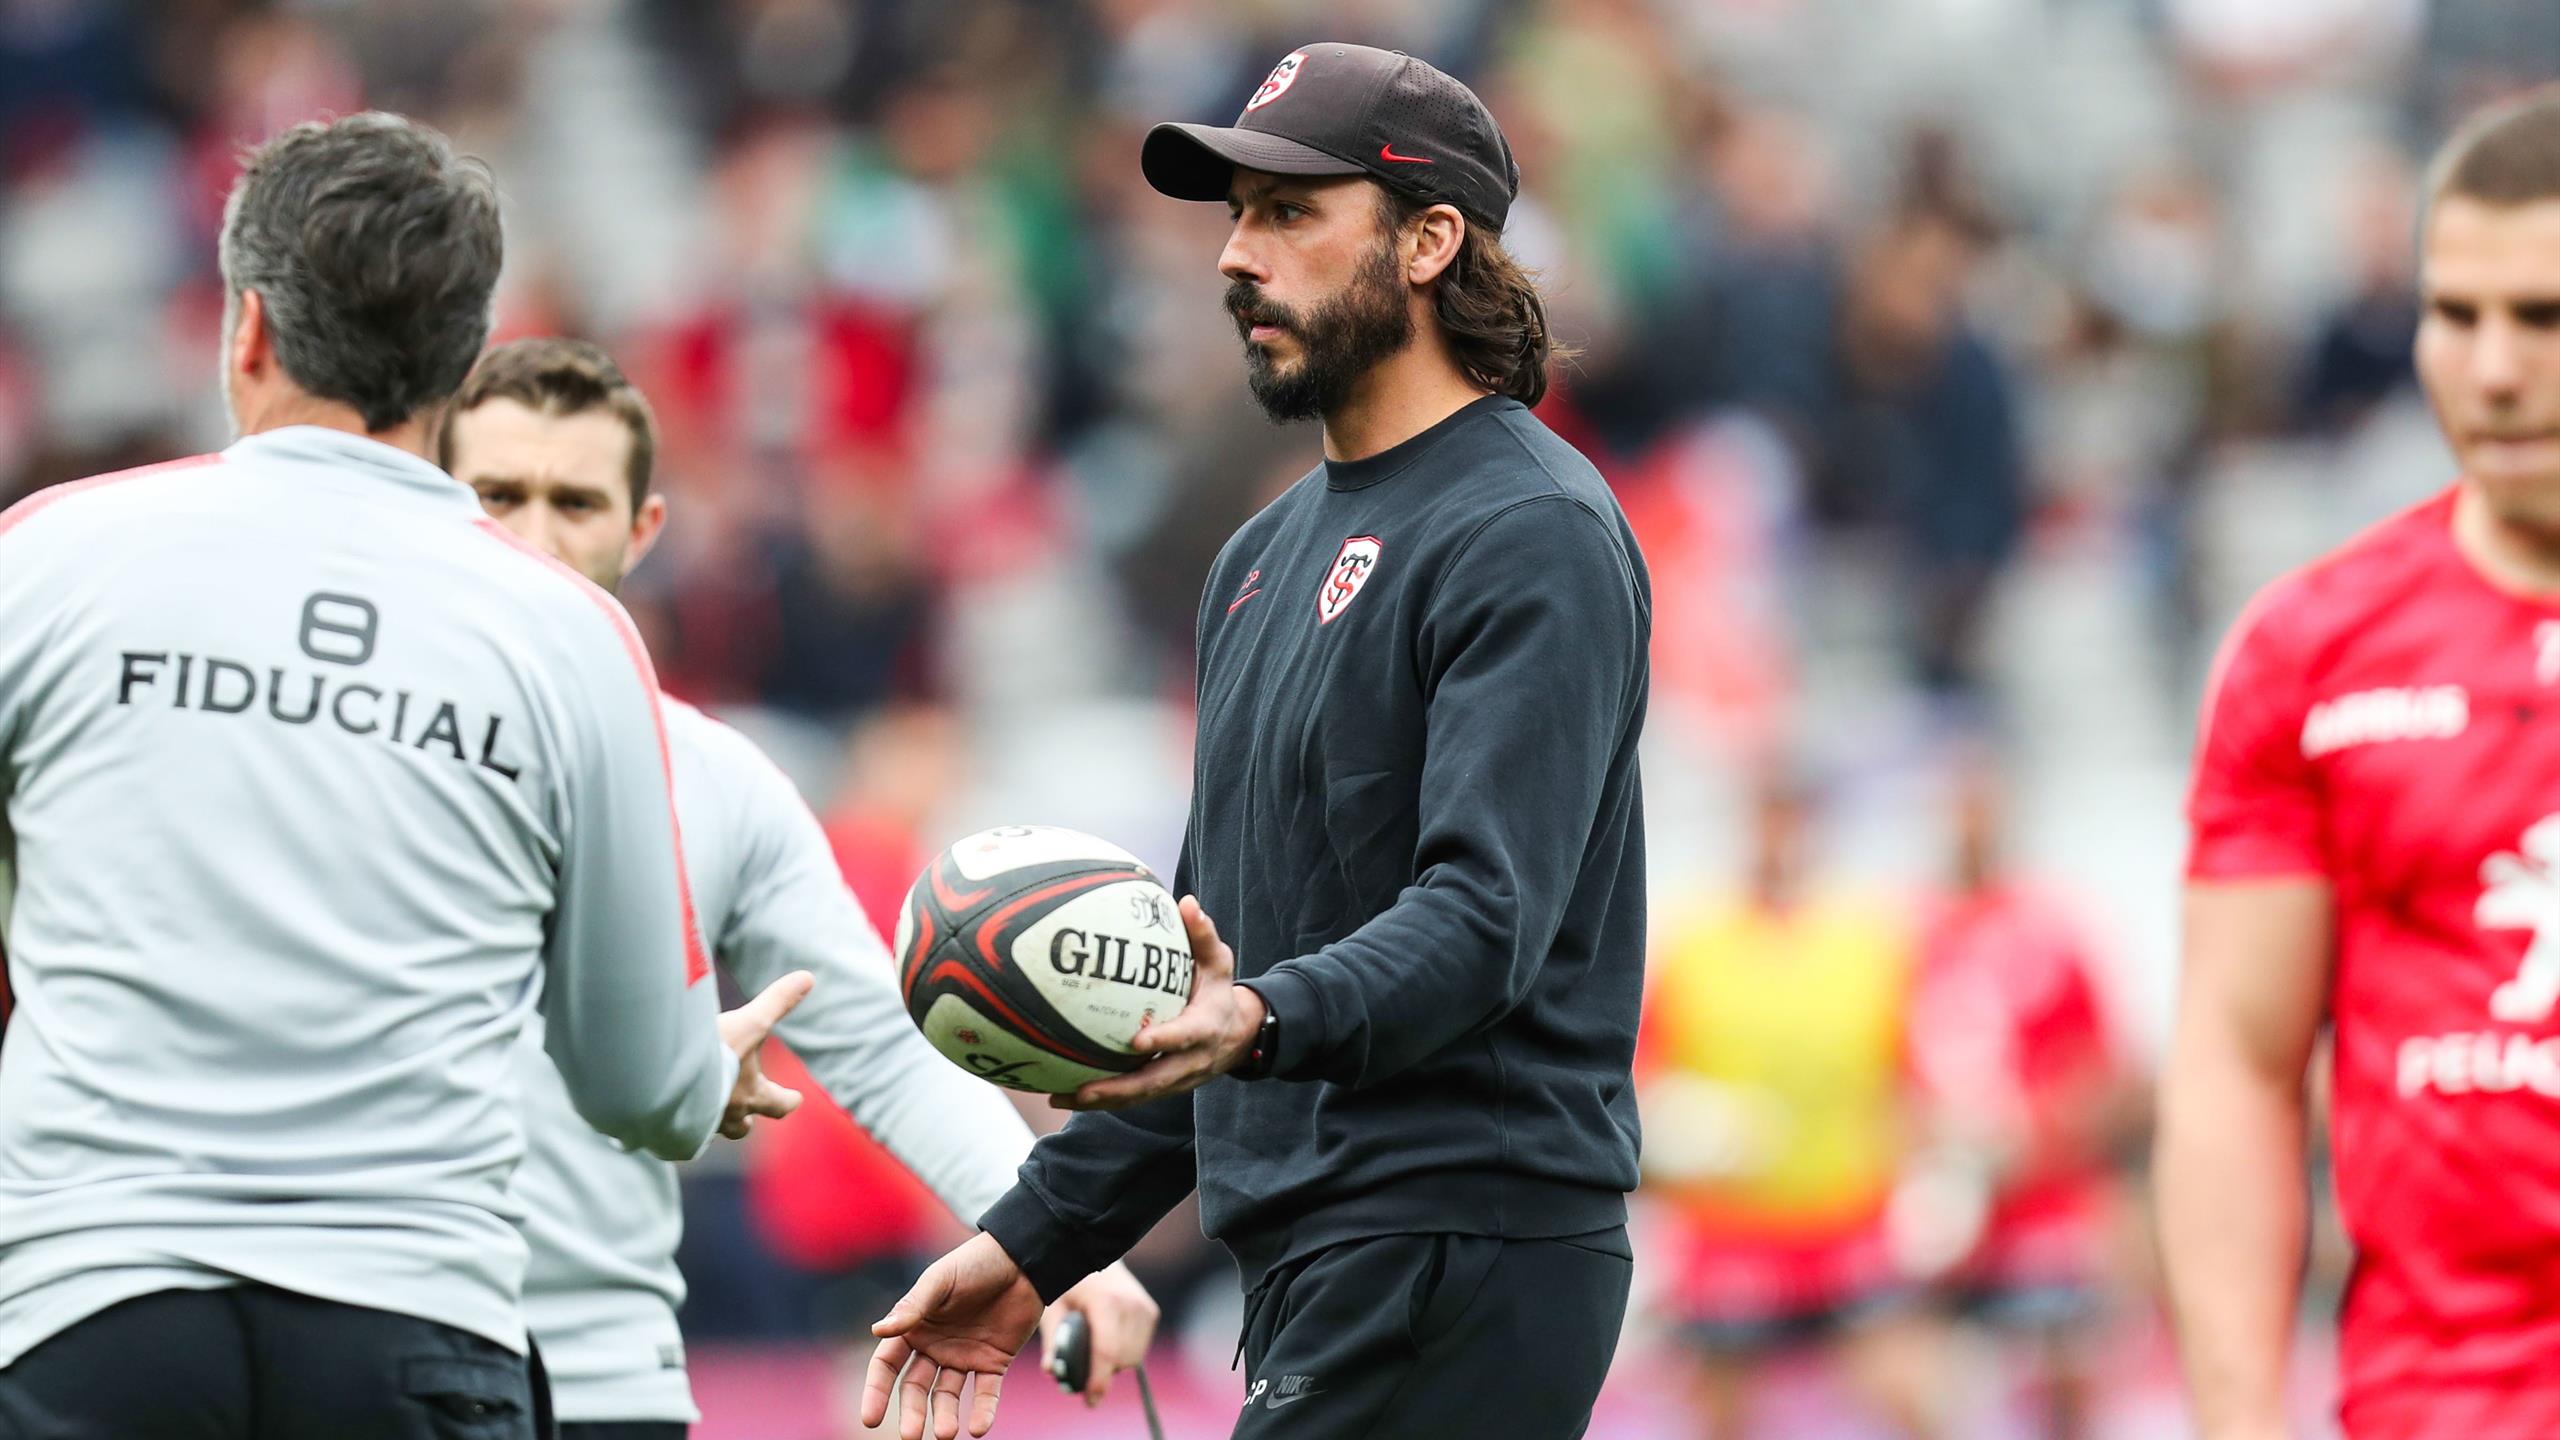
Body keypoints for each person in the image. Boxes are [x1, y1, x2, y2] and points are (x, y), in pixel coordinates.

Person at [862, 43, 1652, 1440]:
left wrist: (1263, 1020)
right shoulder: (1254, 563)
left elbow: (1483, 922)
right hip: (1319, 1260)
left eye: (1290, 212)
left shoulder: (1530, 532)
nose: (1236, 255)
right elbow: (1199, 989)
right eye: (1236, 214)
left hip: (1461, 1239)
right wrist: (1028, 1247)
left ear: (1430, 241)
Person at [0, 113, 807, 1440]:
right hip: (413, 1326)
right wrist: (698, 1072)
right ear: (463, 358)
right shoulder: (566, 630)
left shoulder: (45, 555)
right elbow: (634, 1082)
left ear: (247, 329)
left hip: (94, 1307)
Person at [436, 337, 1159, 1439]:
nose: (535, 537)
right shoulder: (333, 750)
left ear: (642, 535)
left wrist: (1055, 1243)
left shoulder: (718, 783)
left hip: (602, 1378)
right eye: (499, 496)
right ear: (439, 513)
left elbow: (879, 1039)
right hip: (381, 1336)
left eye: (574, 501)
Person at [2161, 87, 2560, 1439]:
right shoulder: (2313, 653)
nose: (2494, 367)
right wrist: (2237, 1418)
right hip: (2438, 1403)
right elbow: (2235, 1061)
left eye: (2544, 317)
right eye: (2456, 314)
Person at [1640, 771, 1946, 1440]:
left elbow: (1913, 1081)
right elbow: (1644, 1081)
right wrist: (1683, 1129)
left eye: (1792, 821)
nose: (1779, 840)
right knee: (1719, 1409)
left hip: (1846, 1217)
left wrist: (1933, 1177)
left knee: (1912, 1392)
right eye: (1765, 821)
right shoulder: (1694, 945)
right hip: (1730, 1226)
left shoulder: (1868, 946)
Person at [1906, 759, 2136, 1440]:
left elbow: (2103, 1074)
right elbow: (1883, 1072)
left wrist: (2035, 1139)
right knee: (1913, 1377)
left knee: (2067, 1375)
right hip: (1942, 1209)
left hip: (2046, 1198)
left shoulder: (2054, 930)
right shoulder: (1907, 934)